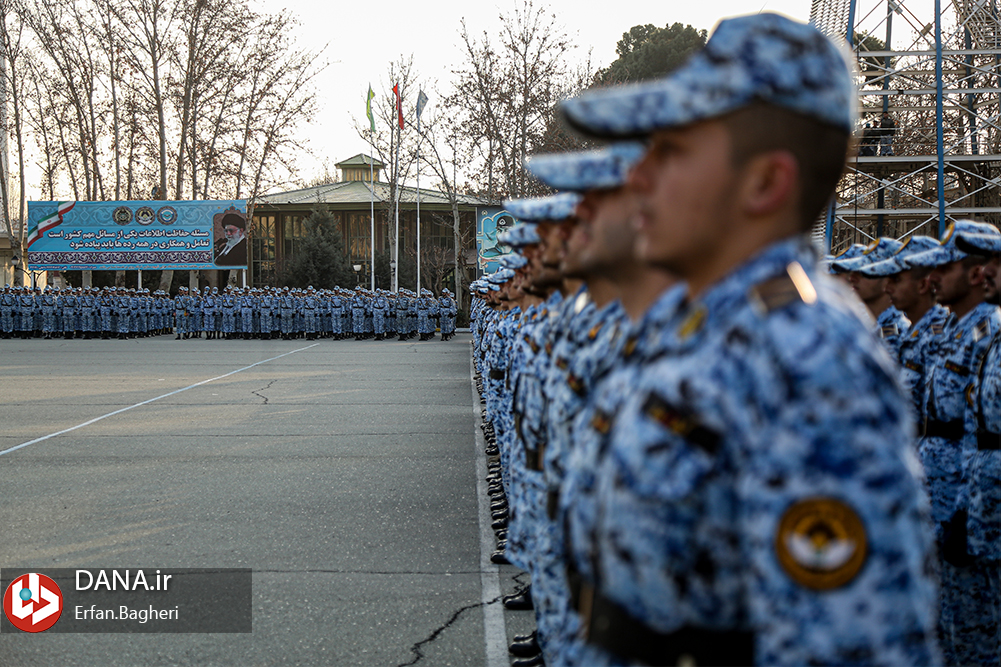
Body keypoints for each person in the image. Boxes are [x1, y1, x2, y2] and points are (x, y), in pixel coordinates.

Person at [559, 13, 939, 665]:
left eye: (670, 151)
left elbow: (848, 647)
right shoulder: (703, 325)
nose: (639, 176)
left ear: (765, 181)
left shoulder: (808, 361)